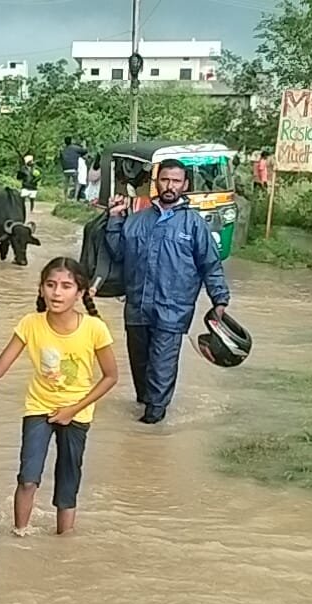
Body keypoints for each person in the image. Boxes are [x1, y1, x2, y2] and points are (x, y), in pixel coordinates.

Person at [0, 257, 117, 536]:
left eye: (66, 286)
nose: (57, 292)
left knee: (68, 484)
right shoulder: (31, 323)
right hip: (38, 408)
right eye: (51, 285)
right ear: (41, 288)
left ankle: (63, 545)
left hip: (77, 413)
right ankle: (19, 535)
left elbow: (110, 377)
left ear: (80, 293)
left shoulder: (94, 329)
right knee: (28, 479)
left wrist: (72, 410)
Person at [105, 158, 231, 425]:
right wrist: (115, 219)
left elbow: (211, 264)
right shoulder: (137, 221)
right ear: (156, 182)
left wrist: (219, 299)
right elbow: (117, 253)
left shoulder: (194, 225)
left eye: (176, 181)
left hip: (173, 310)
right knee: (140, 367)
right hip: (137, 306)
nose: (170, 185)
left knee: (161, 365)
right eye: (165, 179)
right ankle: (146, 408)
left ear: (185, 185)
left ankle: (154, 418)